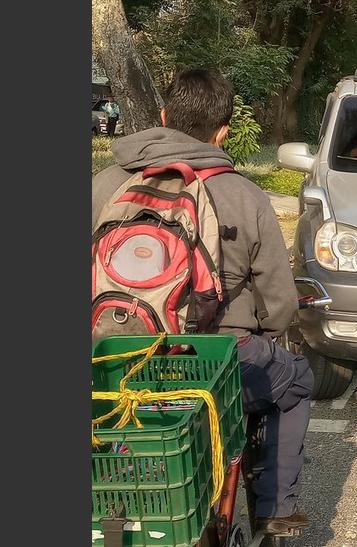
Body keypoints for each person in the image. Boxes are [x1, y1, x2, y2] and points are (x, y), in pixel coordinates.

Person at [91, 69, 313, 536]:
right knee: (295, 381)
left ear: (165, 116)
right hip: (213, 361)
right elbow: (278, 305)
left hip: (115, 360)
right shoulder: (244, 195)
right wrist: (270, 336)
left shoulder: (103, 184)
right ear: (224, 131)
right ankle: (273, 509)